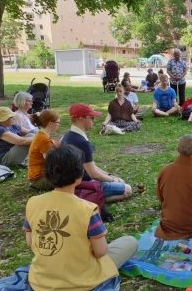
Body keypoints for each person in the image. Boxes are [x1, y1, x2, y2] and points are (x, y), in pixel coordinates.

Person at [23, 145, 138, 290]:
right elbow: (101, 252)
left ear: (48, 173)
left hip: (40, 280)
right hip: (81, 280)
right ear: (79, 176)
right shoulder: (88, 209)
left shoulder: (33, 203)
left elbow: (30, 242)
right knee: (130, 241)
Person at [61, 103, 132, 203]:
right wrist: (112, 179)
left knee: (119, 182)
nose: (94, 120)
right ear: (80, 118)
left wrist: (109, 175)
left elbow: (90, 166)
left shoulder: (67, 136)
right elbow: (94, 174)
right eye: (91, 117)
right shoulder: (82, 142)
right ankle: (92, 200)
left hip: (67, 184)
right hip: (82, 183)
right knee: (127, 189)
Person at [28, 109, 61, 191]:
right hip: (39, 179)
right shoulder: (43, 139)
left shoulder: (41, 134)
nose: (59, 125)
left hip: (39, 177)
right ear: (50, 124)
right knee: (72, 178)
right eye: (58, 123)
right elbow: (51, 162)